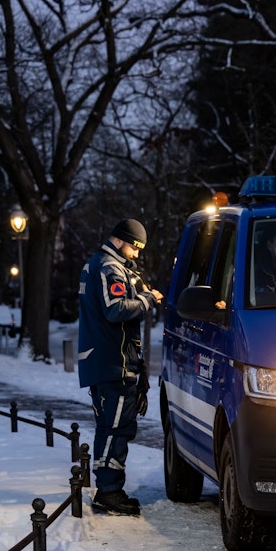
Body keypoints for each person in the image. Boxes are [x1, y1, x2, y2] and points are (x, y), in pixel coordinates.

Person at [78, 219, 164, 516]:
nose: (137, 254)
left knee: (110, 427)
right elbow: (115, 310)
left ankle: (109, 488)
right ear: (122, 240)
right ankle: (109, 492)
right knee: (117, 428)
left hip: (107, 361)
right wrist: (147, 299)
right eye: (136, 247)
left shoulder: (101, 265)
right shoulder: (109, 268)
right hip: (113, 362)